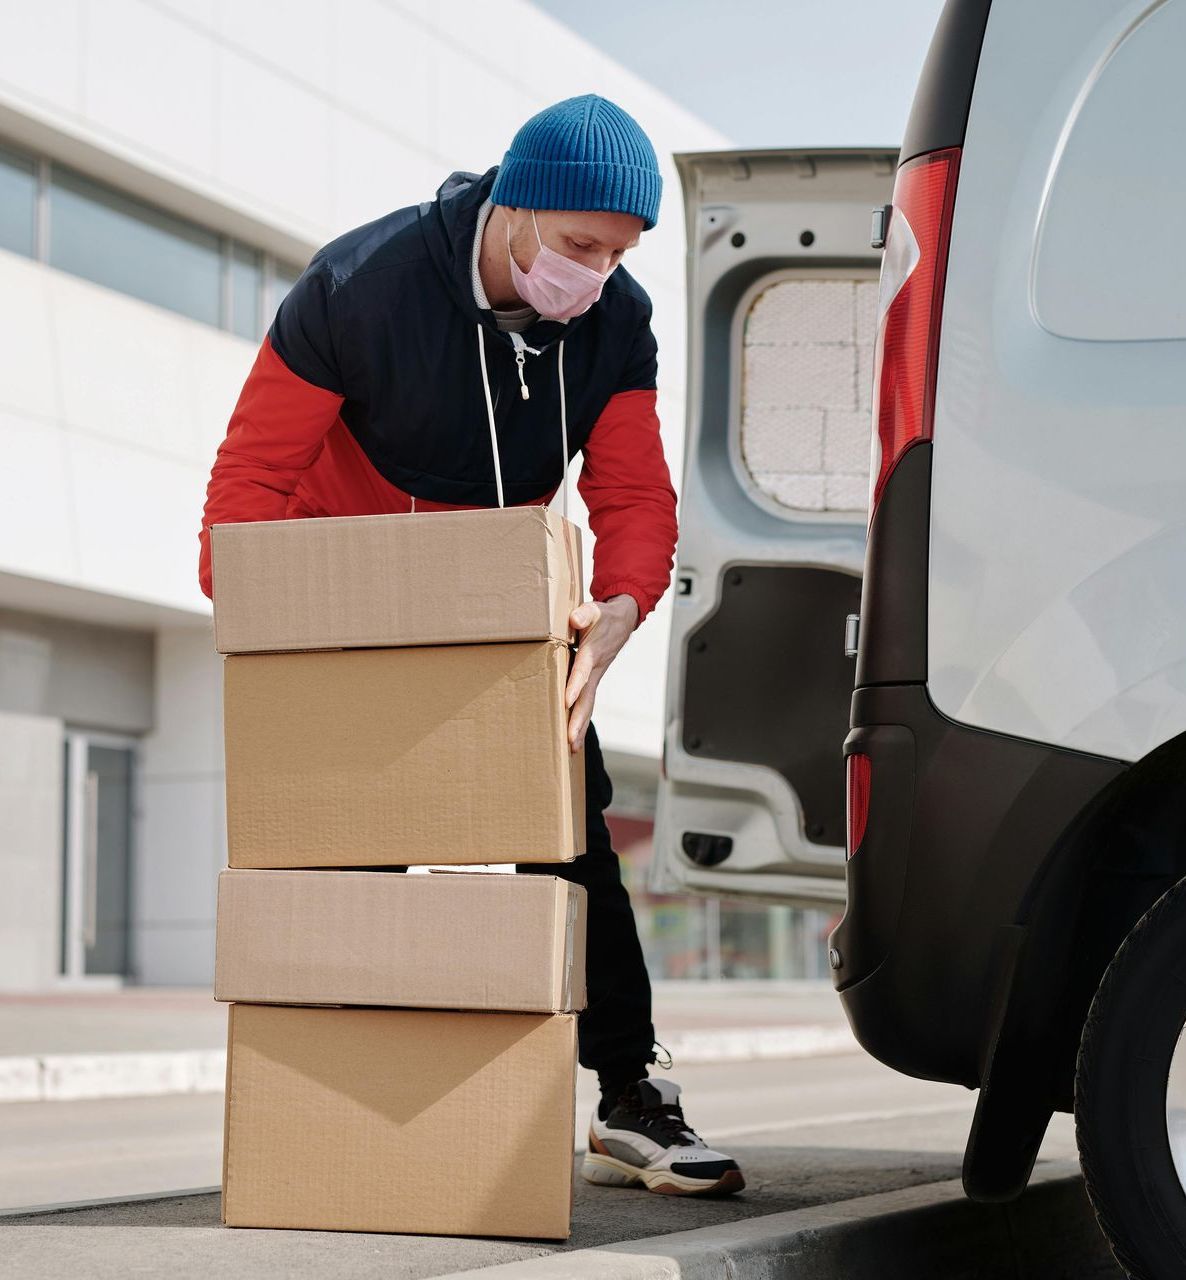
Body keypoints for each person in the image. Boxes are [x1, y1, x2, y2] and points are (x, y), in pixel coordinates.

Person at [198, 94, 743, 1197]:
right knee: (357, 865)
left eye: (617, 253)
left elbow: (635, 489)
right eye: (580, 246)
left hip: (496, 607)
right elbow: (245, 486)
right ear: (512, 210)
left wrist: (624, 605)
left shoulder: (611, 319)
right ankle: (339, 1110)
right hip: (346, 603)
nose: (595, 274)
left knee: (573, 840)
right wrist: (272, 636)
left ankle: (631, 1092)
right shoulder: (360, 286)